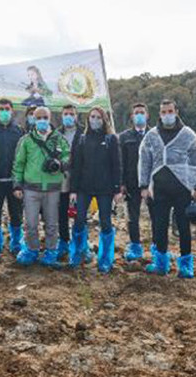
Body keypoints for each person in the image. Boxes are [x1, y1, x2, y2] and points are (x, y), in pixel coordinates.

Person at [138, 100, 196, 277]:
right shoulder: (152, 135)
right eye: (163, 112)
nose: (167, 115)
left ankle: (185, 265)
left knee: (184, 227)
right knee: (160, 226)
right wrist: (144, 185)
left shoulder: (187, 134)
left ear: (176, 111)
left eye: (170, 111)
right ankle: (161, 264)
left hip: (182, 189)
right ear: (159, 114)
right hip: (159, 190)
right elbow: (145, 161)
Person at [13, 107, 70, 267]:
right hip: (31, 188)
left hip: (52, 188)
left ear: (50, 118)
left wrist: (59, 163)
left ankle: (51, 251)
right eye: (38, 118)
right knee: (30, 223)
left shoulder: (59, 139)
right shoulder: (26, 140)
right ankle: (32, 249)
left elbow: (68, 156)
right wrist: (17, 185)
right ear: (33, 119)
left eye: (45, 117)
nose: (42, 121)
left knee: (52, 224)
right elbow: (19, 163)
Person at [69, 106, 121, 273]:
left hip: (105, 189)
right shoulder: (82, 139)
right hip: (84, 187)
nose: (95, 120)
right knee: (79, 221)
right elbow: (76, 166)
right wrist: (73, 189)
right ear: (88, 119)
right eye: (92, 117)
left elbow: (116, 165)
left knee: (105, 222)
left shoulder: (111, 139)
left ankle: (105, 258)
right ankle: (78, 252)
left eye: (99, 117)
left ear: (104, 120)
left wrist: (117, 188)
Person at [0, 99, 24, 259]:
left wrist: (20, 181)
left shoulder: (19, 131)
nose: (4, 112)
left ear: (12, 111)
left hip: (14, 182)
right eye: (1, 109)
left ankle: (16, 245)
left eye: (7, 109)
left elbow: (23, 158)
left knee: (16, 215)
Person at [119, 103, 152, 262]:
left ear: (147, 115)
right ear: (132, 117)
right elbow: (120, 162)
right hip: (132, 183)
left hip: (152, 184)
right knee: (133, 217)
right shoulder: (124, 137)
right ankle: (135, 245)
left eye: (141, 112)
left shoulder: (154, 135)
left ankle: (158, 247)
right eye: (136, 113)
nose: (139, 115)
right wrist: (122, 183)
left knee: (157, 216)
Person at [56, 104, 84, 261]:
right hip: (62, 179)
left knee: (79, 214)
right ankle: (64, 241)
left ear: (76, 116)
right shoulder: (57, 133)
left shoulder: (83, 133)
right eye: (65, 113)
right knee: (62, 213)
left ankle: (80, 244)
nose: (68, 116)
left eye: (71, 113)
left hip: (80, 179)